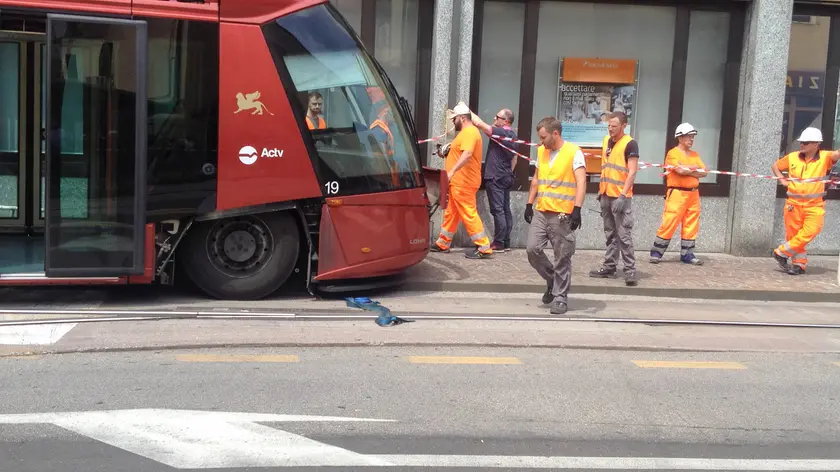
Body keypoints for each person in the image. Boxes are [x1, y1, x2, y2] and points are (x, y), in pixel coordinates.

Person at [524, 117, 586, 315]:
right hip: (542, 209)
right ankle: (552, 279)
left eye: (544, 137)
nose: (541, 142)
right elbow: (536, 178)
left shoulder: (573, 152)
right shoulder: (542, 151)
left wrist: (577, 208)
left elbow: (581, 181)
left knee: (562, 256)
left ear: (555, 134)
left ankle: (560, 297)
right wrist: (529, 203)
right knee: (532, 249)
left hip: (562, 213)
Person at [770, 126, 840, 275]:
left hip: (814, 205)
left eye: (806, 142)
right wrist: (782, 180)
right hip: (793, 204)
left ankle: (781, 252)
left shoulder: (825, 157)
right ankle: (799, 265)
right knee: (794, 236)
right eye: (801, 142)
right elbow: (775, 166)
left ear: (816, 144)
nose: (802, 144)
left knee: (812, 230)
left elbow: (837, 154)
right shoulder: (793, 157)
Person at [430, 101, 493, 259]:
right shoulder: (467, 134)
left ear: (462, 118)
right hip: (460, 181)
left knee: (468, 212)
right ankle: (443, 242)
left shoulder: (470, 133)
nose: (453, 122)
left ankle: (483, 246)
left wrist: (451, 171)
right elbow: (460, 153)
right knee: (452, 212)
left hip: (464, 181)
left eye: (454, 119)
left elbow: (467, 154)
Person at [589, 111, 639, 286]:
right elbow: (606, 167)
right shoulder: (606, 141)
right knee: (610, 234)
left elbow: (632, 172)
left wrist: (622, 196)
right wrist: (601, 190)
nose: (610, 129)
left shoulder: (630, 144)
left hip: (620, 196)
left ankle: (630, 270)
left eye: (614, 126)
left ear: (624, 126)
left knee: (624, 235)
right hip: (606, 194)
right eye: (609, 126)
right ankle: (610, 267)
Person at [649, 123, 707, 265]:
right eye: (689, 136)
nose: (692, 139)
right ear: (680, 138)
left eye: (693, 136)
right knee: (670, 221)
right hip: (677, 194)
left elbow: (704, 172)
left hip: (693, 195)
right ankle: (657, 252)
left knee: (691, 224)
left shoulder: (695, 154)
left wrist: (688, 169)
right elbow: (679, 170)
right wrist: (694, 170)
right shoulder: (672, 154)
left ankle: (687, 254)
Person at [471, 109, 518, 251]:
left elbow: (480, 124)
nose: (494, 118)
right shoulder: (512, 136)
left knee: (498, 210)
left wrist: (466, 110)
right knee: (505, 209)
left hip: (496, 177)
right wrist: (509, 172)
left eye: (497, 117)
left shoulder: (502, 133)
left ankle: (499, 242)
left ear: (505, 121)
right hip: (506, 176)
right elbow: (515, 158)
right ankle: (506, 241)